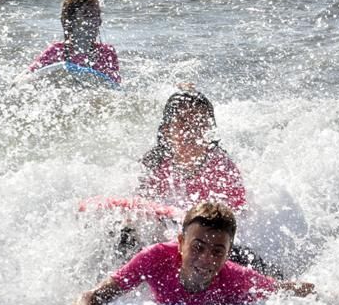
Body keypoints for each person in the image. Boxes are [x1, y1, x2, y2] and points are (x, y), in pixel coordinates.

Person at [66, 202, 315, 305]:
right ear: (181, 242)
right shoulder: (154, 258)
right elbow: (94, 295)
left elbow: (283, 291)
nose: (206, 259)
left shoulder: (236, 278)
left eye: (218, 251)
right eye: (197, 247)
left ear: (228, 254)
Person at [120, 88, 281, 277]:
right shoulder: (154, 165)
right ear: (166, 130)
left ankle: (276, 283)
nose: (192, 130)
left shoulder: (221, 168)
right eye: (182, 122)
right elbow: (138, 209)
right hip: (169, 238)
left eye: (200, 123)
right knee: (125, 234)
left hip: (208, 243)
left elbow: (233, 220)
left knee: (242, 255)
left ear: (209, 130)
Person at [28, 0, 121, 83]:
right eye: (87, 15)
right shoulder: (56, 51)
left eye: (97, 15)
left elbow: (114, 85)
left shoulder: (106, 53)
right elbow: (29, 77)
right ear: (69, 22)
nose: (95, 21)